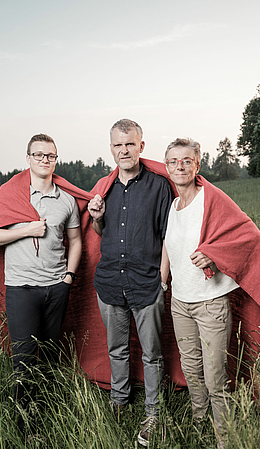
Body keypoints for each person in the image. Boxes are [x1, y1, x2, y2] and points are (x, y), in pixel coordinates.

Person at [0, 134, 82, 433]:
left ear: (55, 160)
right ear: (28, 158)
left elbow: (75, 241)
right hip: (21, 290)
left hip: (56, 288)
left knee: (50, 356)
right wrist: (25, 231)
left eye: (50, 156)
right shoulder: (12, 195)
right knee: (23, 361)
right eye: (38, 155)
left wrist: (68, 278)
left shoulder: (66, 200)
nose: (44, 160)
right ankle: (25, 426)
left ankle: (48, 414)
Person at [87, 119, 172, 446]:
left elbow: (167, 236)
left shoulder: (158, 186)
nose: (124, 150)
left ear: (141, 146)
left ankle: (153, 413)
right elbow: (100, 233)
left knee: (151, 353)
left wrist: (162, 278)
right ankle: (119, 403)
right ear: (111, 149)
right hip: (109, 284)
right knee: (117, 350)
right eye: (118, 145)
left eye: (129, 144)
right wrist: (96, 217)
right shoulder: (103, 187)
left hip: (147, 283)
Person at [161, 138, 238, 448]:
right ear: (167, 167)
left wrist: (213, 255)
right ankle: (198, 423)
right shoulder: (173, 204)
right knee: (191, 369)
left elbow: (244, 234)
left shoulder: (212, 199)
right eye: (173, 161)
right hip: (180, 302)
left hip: (211, 302)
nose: (180, 166)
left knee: (215, 376)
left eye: (186, 161)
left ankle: (224, 438)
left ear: (197, 165)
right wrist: (163, 280)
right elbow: (169, 244)